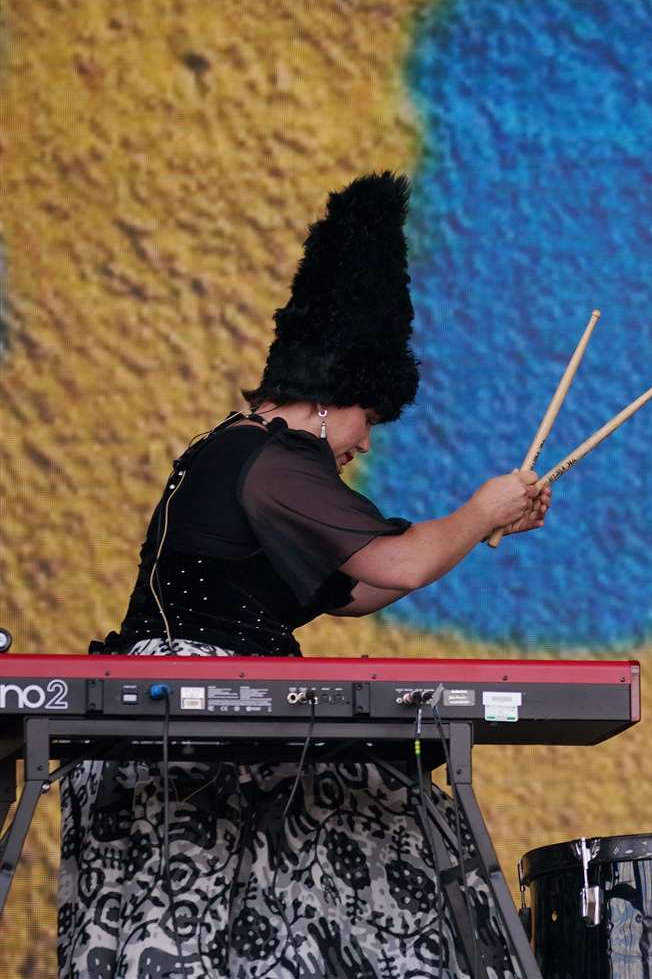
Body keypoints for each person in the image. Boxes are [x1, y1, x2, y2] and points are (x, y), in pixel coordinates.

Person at [58, 172, 548, 978]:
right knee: (402, 823)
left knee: (378, 814)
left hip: (209, 715)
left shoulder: (237, 452)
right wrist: (480, 510)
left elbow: (355, 593)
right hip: (194, 723)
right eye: (367, 422)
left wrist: (477, 529)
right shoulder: (274, 461)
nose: (363, 444)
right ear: (333, 397)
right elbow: (396, 559)